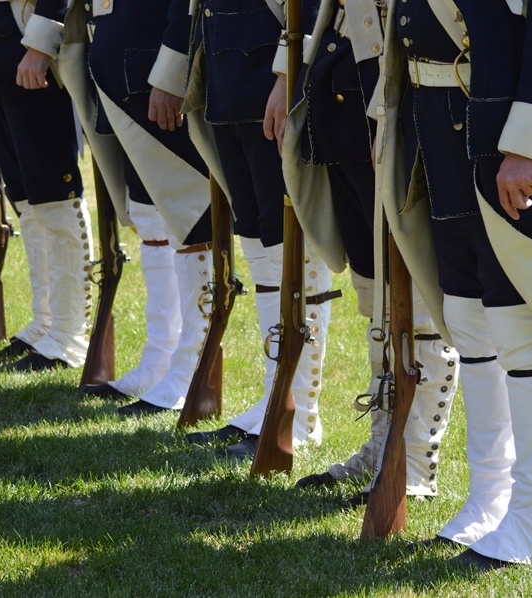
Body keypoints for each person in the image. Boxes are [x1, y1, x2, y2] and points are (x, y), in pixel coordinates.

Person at [376, 0, 532, 569]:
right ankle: (489, 500)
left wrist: (530, 144)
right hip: (442, 130)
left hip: (508, 138)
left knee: (521, 327)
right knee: (470, 320)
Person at [282, 0, 459, 502]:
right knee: (377, 299)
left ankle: (416, 464)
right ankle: (383, 447)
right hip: (344, 99)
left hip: (395, 97)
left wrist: (389, 108)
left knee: (419, 305)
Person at [181, 0, 337, 459]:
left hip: (269, 75)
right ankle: (275, 397)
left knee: (290, 248)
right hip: (229, 78)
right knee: (259, 245)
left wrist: (288, 76)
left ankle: (301, 413)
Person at [77, 0, 215, 416]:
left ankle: (191, 366)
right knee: (151, 218)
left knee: (188, 220)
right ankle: (161, 358)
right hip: (123, 72)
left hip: (153, 68)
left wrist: (172, 66)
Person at [0, 0, 93, 372]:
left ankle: (70, 335)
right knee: (27, 200)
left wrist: (40, 43)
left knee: (54, 195)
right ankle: (47, 321)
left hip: (28, 43)